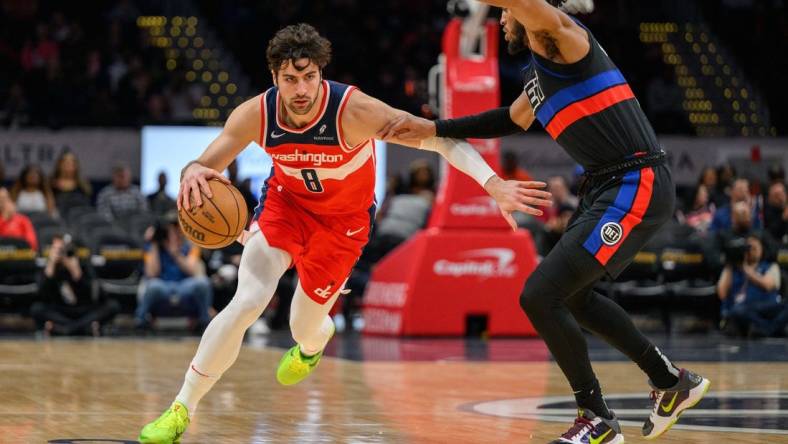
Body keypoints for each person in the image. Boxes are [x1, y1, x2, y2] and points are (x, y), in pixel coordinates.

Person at [137, 23, 551, 443]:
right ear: (275, 78)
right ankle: (180, 408)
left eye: (309, 77)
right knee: (247, 300)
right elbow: (206, 163)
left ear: (321, 73)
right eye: (290, 79)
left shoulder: (355, 112)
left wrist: (493, 184)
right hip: (287, 205)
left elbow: (440, 140)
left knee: (303, 327)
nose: (301, 89)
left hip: (343, 225)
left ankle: (314, 344)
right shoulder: (256, 115)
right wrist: (192, 173)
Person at [377, 1, 710, 442]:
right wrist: (437, 129)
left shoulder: (564, 39)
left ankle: (598, 419)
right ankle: (671, 382)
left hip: (636, 181)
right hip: (606, 187)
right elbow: (507, 120)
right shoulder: (537, 75)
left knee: (539, 294)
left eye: (506, 13)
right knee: (571, 298)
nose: (500, 20)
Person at [135, 214, 213, 331]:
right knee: (152, 285)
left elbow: (193, 271)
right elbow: (152, 274)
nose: (173, 233)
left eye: (176, 229)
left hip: (184, 286)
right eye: (169, 230)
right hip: (163, 286)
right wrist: (154, 244)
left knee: (203, 283)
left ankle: (204, 321)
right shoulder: (153, 248)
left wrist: (175, 253)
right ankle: (140, 321)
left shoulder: (190, 246)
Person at [30, 233, 120, 336]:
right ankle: (84, 329)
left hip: (84, 310)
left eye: (64, 249)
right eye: (58, 249)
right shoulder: (50, 267)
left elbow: (98, 295)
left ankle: (63, 329)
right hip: (61, 310)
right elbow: (42, 295)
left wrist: (77, 274)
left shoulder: (83, 264)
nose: (62, 253)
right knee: (36, 308)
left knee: (113, 306)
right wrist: (51, 266)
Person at [717, 234, 787, 337]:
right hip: (741, 309)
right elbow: (722, 294)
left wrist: (745, 268)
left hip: (765, 307)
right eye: (749, 248)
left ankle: (764, 328)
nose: (752, 251)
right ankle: (771, 329)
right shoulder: (731, 269)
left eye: (755, 248)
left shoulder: (770, 267)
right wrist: (729, 264)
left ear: (762, 249)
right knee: (737, 310)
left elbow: (767, 285)